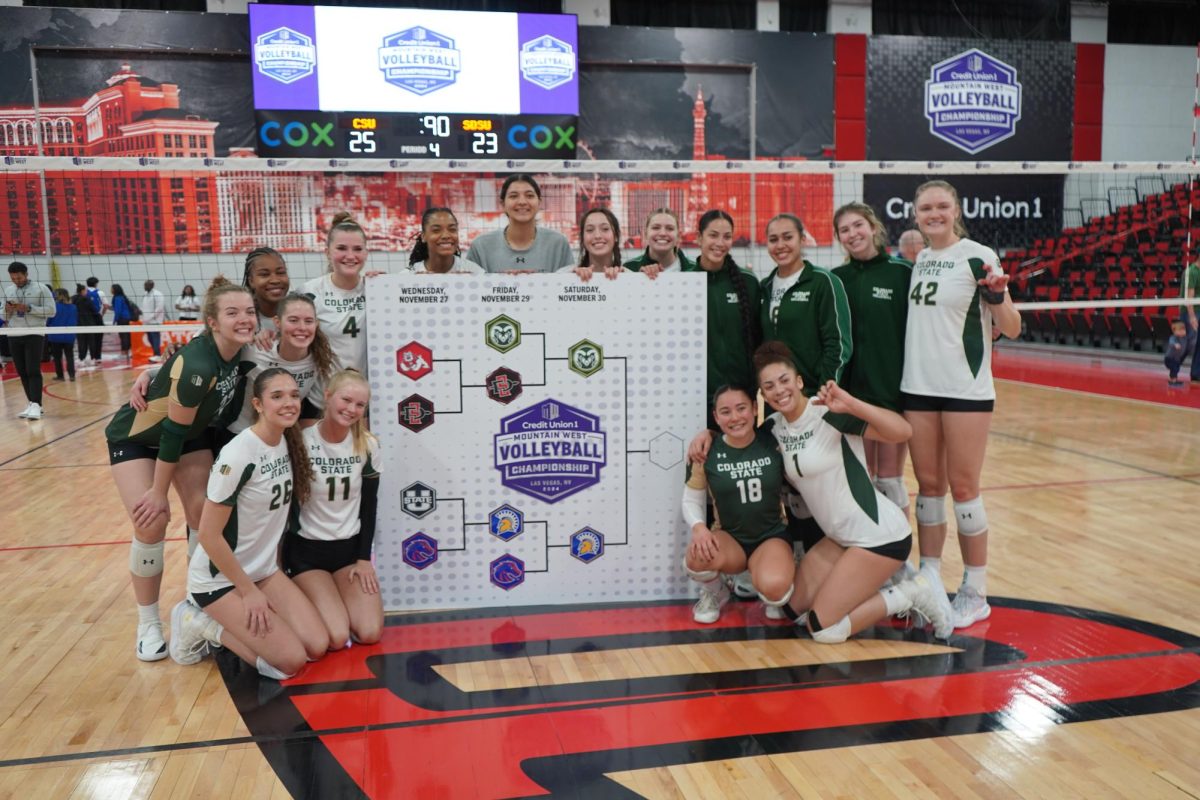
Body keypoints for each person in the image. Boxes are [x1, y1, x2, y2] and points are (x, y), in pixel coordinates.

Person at [754, 341, 953, 642]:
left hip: (879, 537)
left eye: (784, 381)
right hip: (840, 539)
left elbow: (903, 432)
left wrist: (852, 404)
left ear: (799, 381)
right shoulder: (772, 428)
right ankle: (863, 584)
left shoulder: (829, 413)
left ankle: (914, 592)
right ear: (763, 394)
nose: (779, 390)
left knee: (822, 629)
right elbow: (739, 443)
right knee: (793, 611)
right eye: (769, 386)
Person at [105, 275, 256, 661]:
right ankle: (148, 622)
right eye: (233, 312)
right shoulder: (201, 363)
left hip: (190, 437)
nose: (244, 319)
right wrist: (157, 491)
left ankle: (194, 605)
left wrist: (156, 369)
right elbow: (170, 432)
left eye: (249, 312)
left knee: (203, 517)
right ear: (212, 321)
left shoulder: (240, 351)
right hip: (138, 438)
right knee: (151, 520)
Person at [901, 180, 1021, 630]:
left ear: (956, 210)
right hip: (918, 387)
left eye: (942, 206)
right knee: (929, 487)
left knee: (964, 487)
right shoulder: (921, 260)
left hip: (965, 390)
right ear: (916, 215)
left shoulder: (979, 254)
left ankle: (975, 589)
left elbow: (1011, 327)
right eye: (926, 207)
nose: (934, 213)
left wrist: (995, 296)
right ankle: (930, 579)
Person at [168, 368, 329, 678]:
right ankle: (200, 624)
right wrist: (248, 591)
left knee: (317, 645)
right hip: (220, 580)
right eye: (277, 396)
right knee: (290, 662)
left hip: (263, 571)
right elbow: (209, 535)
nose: (289, 403)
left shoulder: (286, 441)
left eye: (294, 395)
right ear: (257, 404)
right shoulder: (238, 454)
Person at [285, 370, 384, 648]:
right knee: (337, 637)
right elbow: (286, 507)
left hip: (349, 555)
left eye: (360, 405)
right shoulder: (301, 443)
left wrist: (364, 559)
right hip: (307, 554)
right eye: (346, 400)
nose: (352, 409)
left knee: (370, 632)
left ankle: (338, 600)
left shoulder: (368, 445)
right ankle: (307, 598)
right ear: (327, 396)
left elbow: (369, 505)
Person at [682, 385, 794, 624]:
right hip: (730, 538)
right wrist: (699, 527)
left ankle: (770, 580)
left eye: (741, 408)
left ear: (755, 409)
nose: (734, 417)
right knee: (696, 558)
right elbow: (691, 498)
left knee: (776, 591)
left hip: (771, 535)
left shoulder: (773, 440)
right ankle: (716, 592)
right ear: (716, 417)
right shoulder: (706, 451)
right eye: (725, 411)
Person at [831, 203, 912, 518]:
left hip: (891, 391)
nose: (852, 234)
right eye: (844, 230)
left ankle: (900, 557)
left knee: (890, 480)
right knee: (861, 480)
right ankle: (869, 550)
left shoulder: (902, 273)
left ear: (873, 227)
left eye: (857, 225)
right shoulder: (835, 279)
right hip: (851, 395)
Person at [759, 214, 852, 397]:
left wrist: (823, 393)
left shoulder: (823, 281)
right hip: (777, 395)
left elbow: (838, 345)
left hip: (813, 395)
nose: (780, 245)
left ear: (802, 240)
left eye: (788, 237)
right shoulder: (764, 287)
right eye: (773, 239)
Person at [696, 209, 761, 424]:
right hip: (696, 397)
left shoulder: (748, 282)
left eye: (727, 236)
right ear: (699, 238)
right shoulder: (683, 281)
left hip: (741, 396)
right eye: (713, 235)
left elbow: (758, 337)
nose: (720, 243)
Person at [304, 213, 370, 377]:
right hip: (322, 397)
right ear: (327, 252)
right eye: (341, 248)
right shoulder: (309, 292)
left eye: (357, 249)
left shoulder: (376, 289)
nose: (350, 256)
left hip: (365, 396)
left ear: (366, 253)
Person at [465, 174, 574, 273]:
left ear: (539, 203)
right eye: (513, 196)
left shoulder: (558, 244)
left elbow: (568, 288)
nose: (522, 202)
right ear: (503, 204)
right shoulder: (480, 246)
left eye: (530, 196)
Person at [3, 262, 54, 419]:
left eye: (18, 277)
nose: (16, 281)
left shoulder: (41, 288)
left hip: (34, 333)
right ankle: (32, 403)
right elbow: (2, 316)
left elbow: (52, 311)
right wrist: (7, 310)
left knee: (32, 370)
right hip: (14, 334)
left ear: (26, 274)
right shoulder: (9, 290)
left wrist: (29, 308)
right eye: (13, 278)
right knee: (22, 371)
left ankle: (36, 405)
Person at [407, 207, 484, 274]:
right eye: (436, 230)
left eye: (452, 229)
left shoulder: (475, 273)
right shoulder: (409, 276)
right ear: (423, 236)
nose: (446, 235)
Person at [624, 208, 696, 275]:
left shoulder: (696, 270)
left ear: (678, 236)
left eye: (670, 228)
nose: (663, 233)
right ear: (645, 234)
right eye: (656, 228)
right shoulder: (629, 268)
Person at [561, 208, 627, 281]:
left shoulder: (630, 277)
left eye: (605, 229)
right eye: (590, 230)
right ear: (582, 239)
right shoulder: (563, 275)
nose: (597, 236)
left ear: (616, 236)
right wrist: (572, 279)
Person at [243, 247, 291, 335]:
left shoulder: (299, 313)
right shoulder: (242, 319)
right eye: (264, 274)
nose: (275, 280)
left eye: (281, 273)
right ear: (251, 281)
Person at [47, 288, 78, 383]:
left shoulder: (54, 307)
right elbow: (76, 320)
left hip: (55, 335)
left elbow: (49, 321)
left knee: (57, 357)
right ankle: (72, 375)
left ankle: (60, 376)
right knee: (70, 356)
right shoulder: (73, 307)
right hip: (69, 335)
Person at [73, 283, 102, 369]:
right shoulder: (87, 299)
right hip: (89, 323)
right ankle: (93, 358)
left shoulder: (73, 299)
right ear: (82, 291)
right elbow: (95, 311)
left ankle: (81, 359)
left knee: (81, 342)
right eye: (85, 290)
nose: (87, 292)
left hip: (78, 324)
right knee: (91, 342)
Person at [140, 279, 168, 358]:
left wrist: (151, 316)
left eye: (146, 285)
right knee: (150, 338)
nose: (145, 286)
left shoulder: (158, 294)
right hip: (146, 321)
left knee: (155, 337)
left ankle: (157, 354)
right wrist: (143, 317)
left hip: (155, 321)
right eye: (144, 285)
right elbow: (144, 307)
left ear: (152, 285)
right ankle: (155, 354)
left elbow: (159, 308)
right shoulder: (145, 294)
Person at [1165, 318, 1194, 387]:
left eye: (1183, 330)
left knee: (1176, 369)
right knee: (1174, 368)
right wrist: (1175, 344)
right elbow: (1171, 342)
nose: (1182, 332)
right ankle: (1173, 381)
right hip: (1169, 358)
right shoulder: (1174, 337)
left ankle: (1173, 379)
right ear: (1174, 331)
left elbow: (1189, 344)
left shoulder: (1185, 338)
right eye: (1179, 330)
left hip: (1176, 359)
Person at [111, 284, 135, 358]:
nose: (110, 290)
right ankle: (127, 351)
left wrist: (115, 320)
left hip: (122, 319)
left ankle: (124, 352)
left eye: (111, 289)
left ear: (115, 290)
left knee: (123, 336)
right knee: (126, 335)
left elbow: (118, 310)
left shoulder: (118, 298)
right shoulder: (122, 297)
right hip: (126, 318)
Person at [85, 277, 106, 362]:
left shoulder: (84, 292)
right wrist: (101, 315)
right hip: (97, 317)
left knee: (89, 338)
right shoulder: (100, 292)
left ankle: (91, 356)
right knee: (98, 338)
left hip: (86, 318)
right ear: (96, 284)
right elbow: (106, 305)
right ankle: (98, 357)